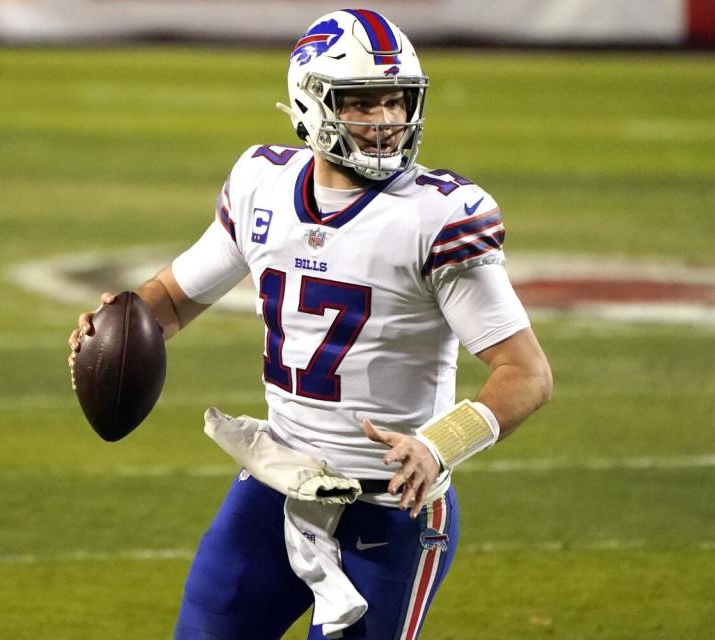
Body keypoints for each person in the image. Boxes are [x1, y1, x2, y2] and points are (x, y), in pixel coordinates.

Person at [68, 9, 552, 640]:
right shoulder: (263, 184)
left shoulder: (436, 217)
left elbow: (527, 373)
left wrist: (439, 446)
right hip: (276, 485)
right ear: (310, 102)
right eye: (361, 102)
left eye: (395, 102)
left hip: (391, 512)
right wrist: (116, 324)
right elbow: (173, 297)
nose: (383, 122)